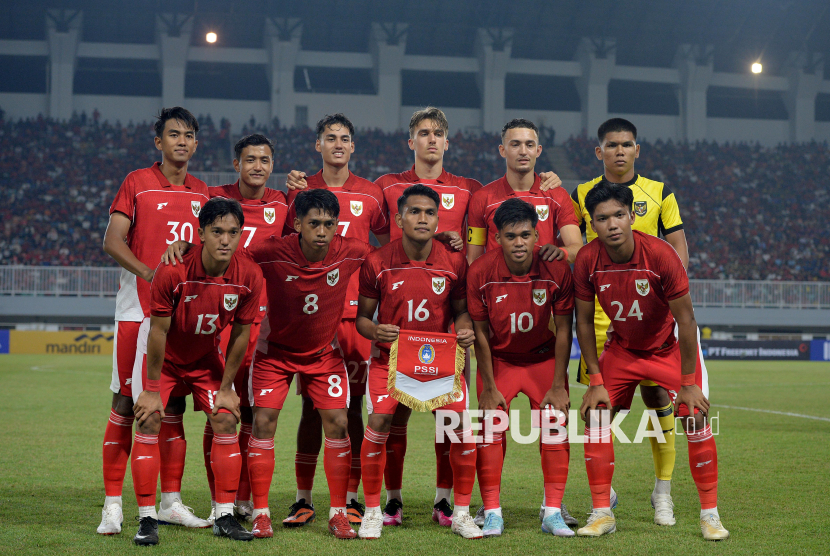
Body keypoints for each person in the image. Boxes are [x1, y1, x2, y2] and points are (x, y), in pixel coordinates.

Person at [286, 108, 562, 525]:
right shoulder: (384, 186)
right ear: (410, 141)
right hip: (391, 318)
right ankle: (385, 501)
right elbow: (346, 210)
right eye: (423, 133)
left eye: (438, 134)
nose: (431, 140)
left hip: (449, 320)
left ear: (447, 142)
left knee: (450, 420)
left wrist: (549, 184)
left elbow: (478, 241)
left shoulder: (471, 190)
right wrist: (299, 183)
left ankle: (446, 501)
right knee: (379, 415)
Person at [573, 181, 728, 541]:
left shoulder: (660, 255)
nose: (611, 224)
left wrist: (688, 384)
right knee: (595, 414)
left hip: (668, 348)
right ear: (592, 223)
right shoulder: (586, 260)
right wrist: (595, 381)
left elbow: (687, 321)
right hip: (624, 350)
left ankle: (710, 515)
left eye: (618, 215)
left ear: (631, 216)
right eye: (601, 218)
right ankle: (602, 512)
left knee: (695, 416)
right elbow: (582, 321)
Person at [570, 117, 706, 524]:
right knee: (600, 406)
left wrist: (660, 306)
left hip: (652, 318)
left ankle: (662, 491)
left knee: (659, 399)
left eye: (627, 144)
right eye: (611, 145)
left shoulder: (660, 193)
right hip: (600, 318)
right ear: (600, 151)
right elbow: (575, 248)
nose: (619, 151)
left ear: (637, 150)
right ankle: (603, 491)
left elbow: (678, 248)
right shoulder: (580, 194)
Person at [99, 107, 210, 535]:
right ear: (158, 141)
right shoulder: (137, 182)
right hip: (137, 312)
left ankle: (171, 502)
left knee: (174, 408)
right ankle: (112, 505)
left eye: (188, 135)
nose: (181, 141)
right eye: (173, 134)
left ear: (196, 144)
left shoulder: (203, 193)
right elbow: (111, 240)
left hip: (184, 319)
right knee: (126, 405)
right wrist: (150, 273)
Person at [129, 198, 263, 545]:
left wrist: (228, 386)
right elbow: (158, 331)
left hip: (204, 358)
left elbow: (241, 333)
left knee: (225, 417)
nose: (225, 240)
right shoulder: (173, 270)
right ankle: (147, 519)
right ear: (200, 233)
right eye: (217, 231)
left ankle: (224, 515)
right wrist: (152, 387)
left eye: (233, 233)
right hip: (166, 357)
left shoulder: (249, 274)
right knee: (149, 418)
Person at [355, 184, 480, 540]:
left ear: (438, 218)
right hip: (391, 361)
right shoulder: (378, 261)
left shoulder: (454, 261)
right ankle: (376, 511)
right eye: (414, 212)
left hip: (439, 360)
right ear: (399, 219)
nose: (422, 218)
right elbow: (362, 318)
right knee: (380, 422)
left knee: (459, 429)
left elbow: (461, 312)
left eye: (429, 213)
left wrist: (465, 330)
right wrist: (376, 330)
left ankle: (461, 512)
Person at [282, 114, 390, 528]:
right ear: (318, 145)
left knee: (356, 409)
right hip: (312, 316)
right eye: (331, 138)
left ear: (353, 146)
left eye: (345, 138)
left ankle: (351, 498)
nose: (338, 144)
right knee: (312, 408)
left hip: (355, 320)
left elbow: (388, 249)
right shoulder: (301, 190)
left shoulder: (372, 194)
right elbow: (282, 241)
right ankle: (303, 498)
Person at [246, 189, 372, 540]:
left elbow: (387, 259)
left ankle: (337, 513)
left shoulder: (350, 250)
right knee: (263, 421)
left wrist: (436, 241)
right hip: (275, 354)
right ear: (297, 223)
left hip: (322, 354)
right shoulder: (271, 251)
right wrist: (185, 250)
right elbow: (231, 258)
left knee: (338, 421)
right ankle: (260, 513)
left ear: (337, 226)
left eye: (329, 224)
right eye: (313, 223)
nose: (321, 231)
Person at [467, 198, 575, 538]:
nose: (518, 243)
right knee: (489, 430)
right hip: (500, 361)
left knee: (555, 428)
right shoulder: (480, 272)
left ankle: (553, 512)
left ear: (537, 234)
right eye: (510, 236)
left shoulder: (557, 269)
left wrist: (559, 384)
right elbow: (480, 334)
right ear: (497, 238)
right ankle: (493, 512)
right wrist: (486, 385)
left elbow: (564, 331)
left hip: (542, 360)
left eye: (525, 235)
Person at [206, 133, 288, 523]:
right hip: (222, 320)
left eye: (265, 160)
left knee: (254, 412)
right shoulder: (213, 198)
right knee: (220, 410)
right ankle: (219, 497)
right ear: (235, 164)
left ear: (273, 166)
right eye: (250, 159)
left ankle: (243, 498)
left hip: (264, 322)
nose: (258, 166)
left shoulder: (283, 204)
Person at [467, 118, 582, 264]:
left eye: (529, 145)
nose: (523, 151)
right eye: (515, 145)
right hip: (499, 285)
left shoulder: (557, 195)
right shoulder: (482, 198)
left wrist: (560, 253)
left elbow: (577, 248)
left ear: (538, 150)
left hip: (545, 284)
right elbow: (474, 260)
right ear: (502, 150)